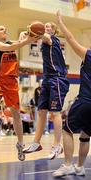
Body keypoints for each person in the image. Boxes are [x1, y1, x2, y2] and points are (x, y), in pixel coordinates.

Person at [0, 25, 40, 161]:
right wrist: (28, 39)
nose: (4, 30)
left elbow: (17, 43)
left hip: (11, 82)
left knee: (16, 114)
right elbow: (13, 46)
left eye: (5, 29)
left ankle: (20, 144)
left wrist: (28, 34)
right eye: (0, 29)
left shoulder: (12, 43)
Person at [52, 10, 91, 177]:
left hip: (85, 100)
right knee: (86, 134)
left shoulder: (89, 55)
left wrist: (60, 22)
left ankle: (68, 164)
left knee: (67, 129)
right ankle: (80, 167)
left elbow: (70, 39)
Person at [23, 22, 69, 160]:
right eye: (45, 26)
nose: (46, 27)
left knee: (55, 113)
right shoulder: (43, 41)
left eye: (49, 27)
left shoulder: (52, 39)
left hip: (58, 79)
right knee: (41, 111)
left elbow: (44, 36)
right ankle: (36, 143)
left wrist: (31, 30)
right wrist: (25, 35)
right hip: (47, 79)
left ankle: (57, 145)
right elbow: (29, 39)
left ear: (54, 31)